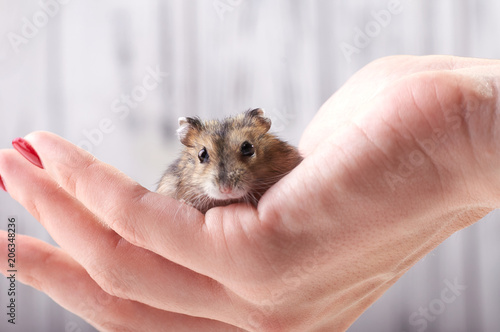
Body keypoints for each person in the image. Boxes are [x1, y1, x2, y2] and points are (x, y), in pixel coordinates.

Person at [1, 55, 499, 331]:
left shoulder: (281, 157)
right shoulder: (181, 184)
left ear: (261, 135)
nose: (225, 178)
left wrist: (467, 132)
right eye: (206, 160)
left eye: (243, 154)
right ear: (190, 149)